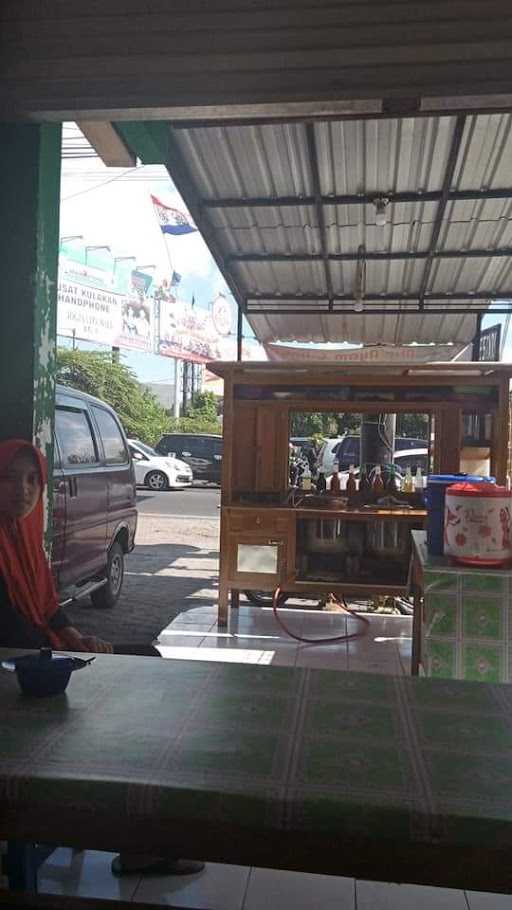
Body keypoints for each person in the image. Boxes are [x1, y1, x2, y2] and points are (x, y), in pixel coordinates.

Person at [0, 439, 204, 878]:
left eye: (33, 479)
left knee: (146, 663)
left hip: (42, 660)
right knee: (135, 692)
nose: (23, 489)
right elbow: (11, 629)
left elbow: (46, 604)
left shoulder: (23, 537)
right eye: (9, 478)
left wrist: (74, 635)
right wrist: (68, 651)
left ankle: (141, 837)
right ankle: (136, 843)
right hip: (21, 677)